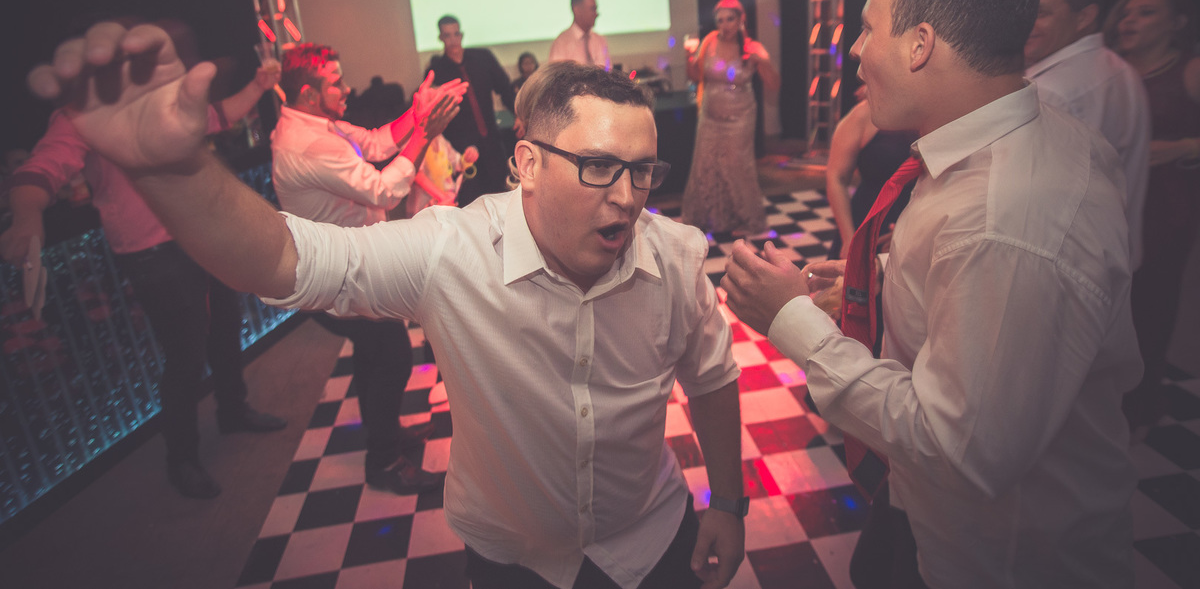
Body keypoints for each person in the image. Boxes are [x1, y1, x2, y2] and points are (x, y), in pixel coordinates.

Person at [27, 30, 747, 589]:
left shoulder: (676, 256)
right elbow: (285, 259)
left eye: (642, 171)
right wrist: (170, 173)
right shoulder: (452, 251)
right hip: (514, 562)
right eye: (598, 167)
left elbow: (711, 377)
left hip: (654, 540)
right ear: (527, 164)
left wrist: (731, 502)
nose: (626, 195)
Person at [722, 0, 1140, 588]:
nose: (855, 51)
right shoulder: (1021, 144)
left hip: (997, 557)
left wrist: (792, 322)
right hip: (924, 515)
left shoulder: (1000, 222)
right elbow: (974, 300)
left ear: (920, 45)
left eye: (867, 30)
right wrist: (873, 283)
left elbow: (960, 449)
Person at [1, 57, 288, 500]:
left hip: (199, 233)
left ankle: (234, 410)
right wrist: (26, 215)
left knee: (227, 326)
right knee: (186, 355)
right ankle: (182, 459)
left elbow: (216, 115)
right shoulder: (81, 114)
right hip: (150, 249)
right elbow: (44, 166)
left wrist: (258, 85)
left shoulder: (160, 102)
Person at [271, 42, 464, 494]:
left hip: (348, 263)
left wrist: (415, 114)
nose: (347, 87)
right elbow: (381, 190)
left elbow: (376, 142)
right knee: (393, 358)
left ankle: (388, 438)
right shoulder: (310, 144)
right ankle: (384, 462)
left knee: (377, 356)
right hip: (337, 276)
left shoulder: (318, 122)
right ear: (308, 94)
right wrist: (425, 133)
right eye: (336, 82)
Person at [1103, 0, 1200, 429]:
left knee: (1150, 305)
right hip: (1110, 202)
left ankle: (1140, 409)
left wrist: (1185, 144)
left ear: (1177, 23)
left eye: (1145, 13)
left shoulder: (1188, 71)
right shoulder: (1108, 71)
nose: (1129, 20)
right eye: (1126, 12)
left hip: (1163, 206)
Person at [1023, 0, 1151, 269]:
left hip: (1065, 272)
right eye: (1023, 9)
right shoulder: (1120, 69)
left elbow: (1033, 211)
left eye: (1041, 13)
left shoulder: (1051, 91)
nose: (1026, 23)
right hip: (1112, 263)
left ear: (1084, 17)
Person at [681, 0, 780, 238]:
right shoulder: (709, 42)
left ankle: (752, 221)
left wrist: (763, 63)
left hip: (740, 116)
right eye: (720, 20)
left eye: (730, 19)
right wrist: (688, 56)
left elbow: (774, 84)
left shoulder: (752, 48)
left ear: (740, 20)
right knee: (706, 164)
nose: (724, 25)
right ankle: (708, 219)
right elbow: (695, 76)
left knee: (737, 166)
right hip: (710, 115)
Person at [426, 15, 516, 206]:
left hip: (491, 141)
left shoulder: (482, 58)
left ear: (461, 34)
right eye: (447, 35)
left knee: (502, 196)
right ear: (441, 38)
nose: (453, 40)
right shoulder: (437, 70)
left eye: (456, 34)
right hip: (461, 149)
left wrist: (520, 115)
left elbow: (505, 88)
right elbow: (435, 110)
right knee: (470, 203)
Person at [825, 87, 916, 259]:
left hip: (918, 219)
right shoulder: (864, 114)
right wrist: (848, 238)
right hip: (870, 218)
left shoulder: (931, 114)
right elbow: (836, 177)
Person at [548, 0, 611, 70]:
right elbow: (557, 77)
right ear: (577, 10)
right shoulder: (561, 43)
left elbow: (607, 71)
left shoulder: (600, 40)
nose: (596, 14)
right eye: (592, 9)